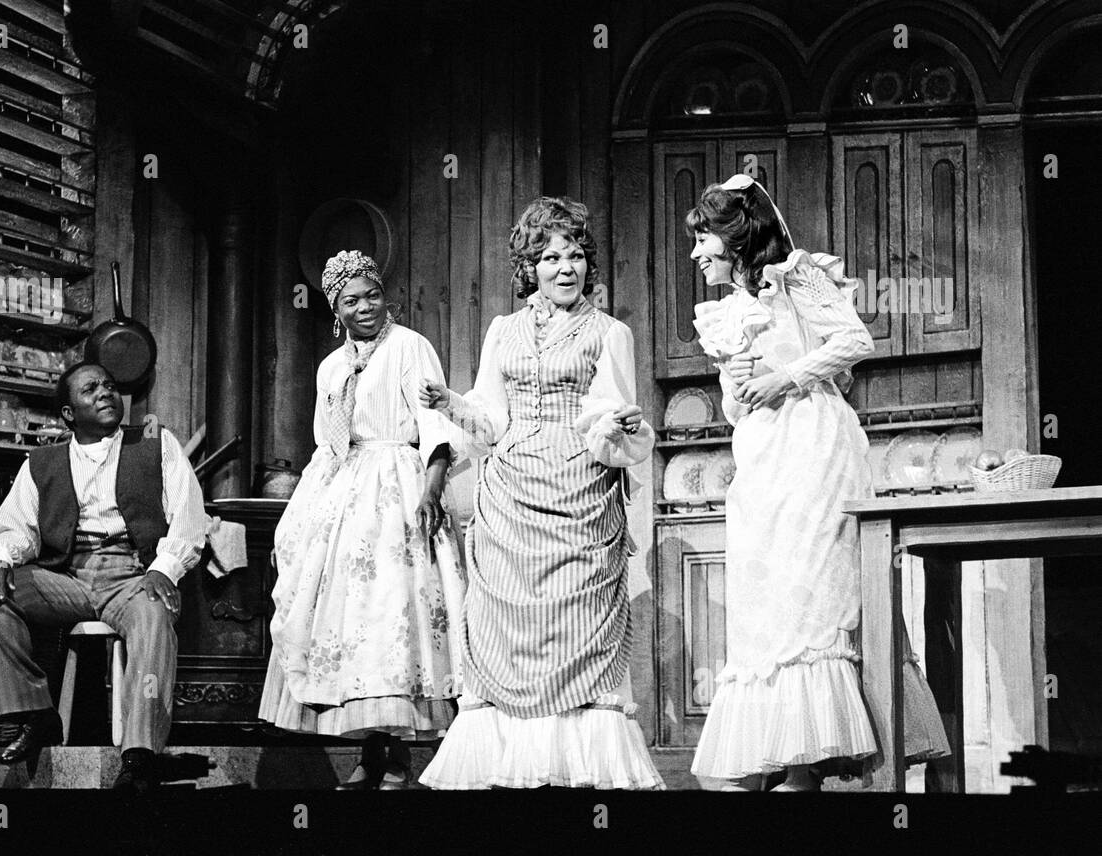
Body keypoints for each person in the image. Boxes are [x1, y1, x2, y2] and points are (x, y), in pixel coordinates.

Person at [686, 174, 949, 790]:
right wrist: (739, 382)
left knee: (816, 593)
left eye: (703, 240)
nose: (696, 255)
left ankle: (812, 766)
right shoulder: (723, 313)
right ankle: (786, 757)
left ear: (736, 238)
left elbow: (854, 340)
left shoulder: (796, 275)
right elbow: (734, 409)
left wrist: (785, 378)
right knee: (769, 604)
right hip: (761, 457)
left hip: (815, 443)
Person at [418, 196, 664, 790]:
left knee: (576, 621)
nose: (565, 267)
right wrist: (453, 404)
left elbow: (611, 413)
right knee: (508, 622)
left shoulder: (611, 332)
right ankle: (512, 772)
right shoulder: (503, 330)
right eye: (551, 256)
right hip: (510, 491)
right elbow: (489, 420)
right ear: (529, 266)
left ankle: (575, 776)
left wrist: (620, 427)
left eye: (576, 255)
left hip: (580, 488)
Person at [258, 250, 464, 790]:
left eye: (372, 294)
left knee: (393, 612)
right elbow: (327, 447)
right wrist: (301, 516)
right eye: (352, 300)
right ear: (336, 309)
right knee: (353, 624)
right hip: (348, 493)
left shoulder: (410, 347)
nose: (366, 306)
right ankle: (371, 749)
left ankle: (398, 755)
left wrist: (431, 486)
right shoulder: (330, 367)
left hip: (398, 481)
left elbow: (434, 422)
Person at [0, 362, 208, 792]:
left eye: (110, 386)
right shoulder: (43, 462)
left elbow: (189, 518)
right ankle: (37, 714)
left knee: (154, 617)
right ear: (68, 414)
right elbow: (16, 527)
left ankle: (139, 755)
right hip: (68, 575)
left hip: (134, 574)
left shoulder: (155, 445)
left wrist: (164, 569)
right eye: (90, 389)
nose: (105, 393)